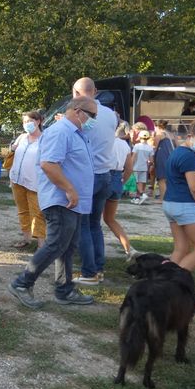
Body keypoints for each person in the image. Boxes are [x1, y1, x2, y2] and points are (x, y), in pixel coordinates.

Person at [8, 97, 96, 309]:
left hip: (72, 202)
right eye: (91, 115)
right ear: (77, 111)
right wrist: (70, 189)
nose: (93, 120)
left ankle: (64, 289)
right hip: (61, 200)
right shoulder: (61, 132)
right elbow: (48, 164)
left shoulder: (76, 133)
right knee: (55, 244)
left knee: (67, 247)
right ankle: (22, 283)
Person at [71, 77, 116, 286]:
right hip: (106, 173)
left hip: (88, 175)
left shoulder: (80, 115)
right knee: (95, 225)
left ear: (76, 94)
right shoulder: (110, 114)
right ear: (95, 91)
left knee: (83, 226)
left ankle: (89, 272)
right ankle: (99, 267)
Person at [162, 117, 195, 271]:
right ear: (190, 136)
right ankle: (174, 281)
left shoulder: (177, 151)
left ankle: (163, 283)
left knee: (181, 248)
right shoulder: (189, 156)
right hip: (185, 205)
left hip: (170, 204)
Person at [8, 111, 46, 249]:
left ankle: (42, 245)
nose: (27, 125)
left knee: (38, 213)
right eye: (24, 122)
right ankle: (26, 239)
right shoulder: (22, 137)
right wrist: (12, 149)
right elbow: (12, 152)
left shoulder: (44, 140)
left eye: (30, 121)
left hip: (34, 182)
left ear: (38, 121)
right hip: (17, 180)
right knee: (22, 210)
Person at [103, 121, 138, 261]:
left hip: (104, 176)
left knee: (92, 221)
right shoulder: (124, 145)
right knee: (110, 219)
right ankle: (128, 248)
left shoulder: (104, 142)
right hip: (117, 178)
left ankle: (93, 251)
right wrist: (122, 181)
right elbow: (129, 168)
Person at [152, 119, 176, 200]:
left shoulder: (159, 134)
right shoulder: (171, 134)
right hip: (172, 157)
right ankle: (169, 197)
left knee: (161, 179)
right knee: (169, 179)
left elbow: (154, 148)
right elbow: (177, 145)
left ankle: (162, 199)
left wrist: (151, 159)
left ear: (157, 126)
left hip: (162, 157)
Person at [130, 130, 154, 204]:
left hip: (136, 167)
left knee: (136, 182)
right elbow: (151, 160)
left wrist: (130, 165)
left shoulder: (137, 146)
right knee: (141, 182)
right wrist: (149, 165)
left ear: (139, 137)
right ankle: (137, 197)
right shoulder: (150, 148)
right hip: (144, 167)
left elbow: (133, 157)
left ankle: (142, 194)